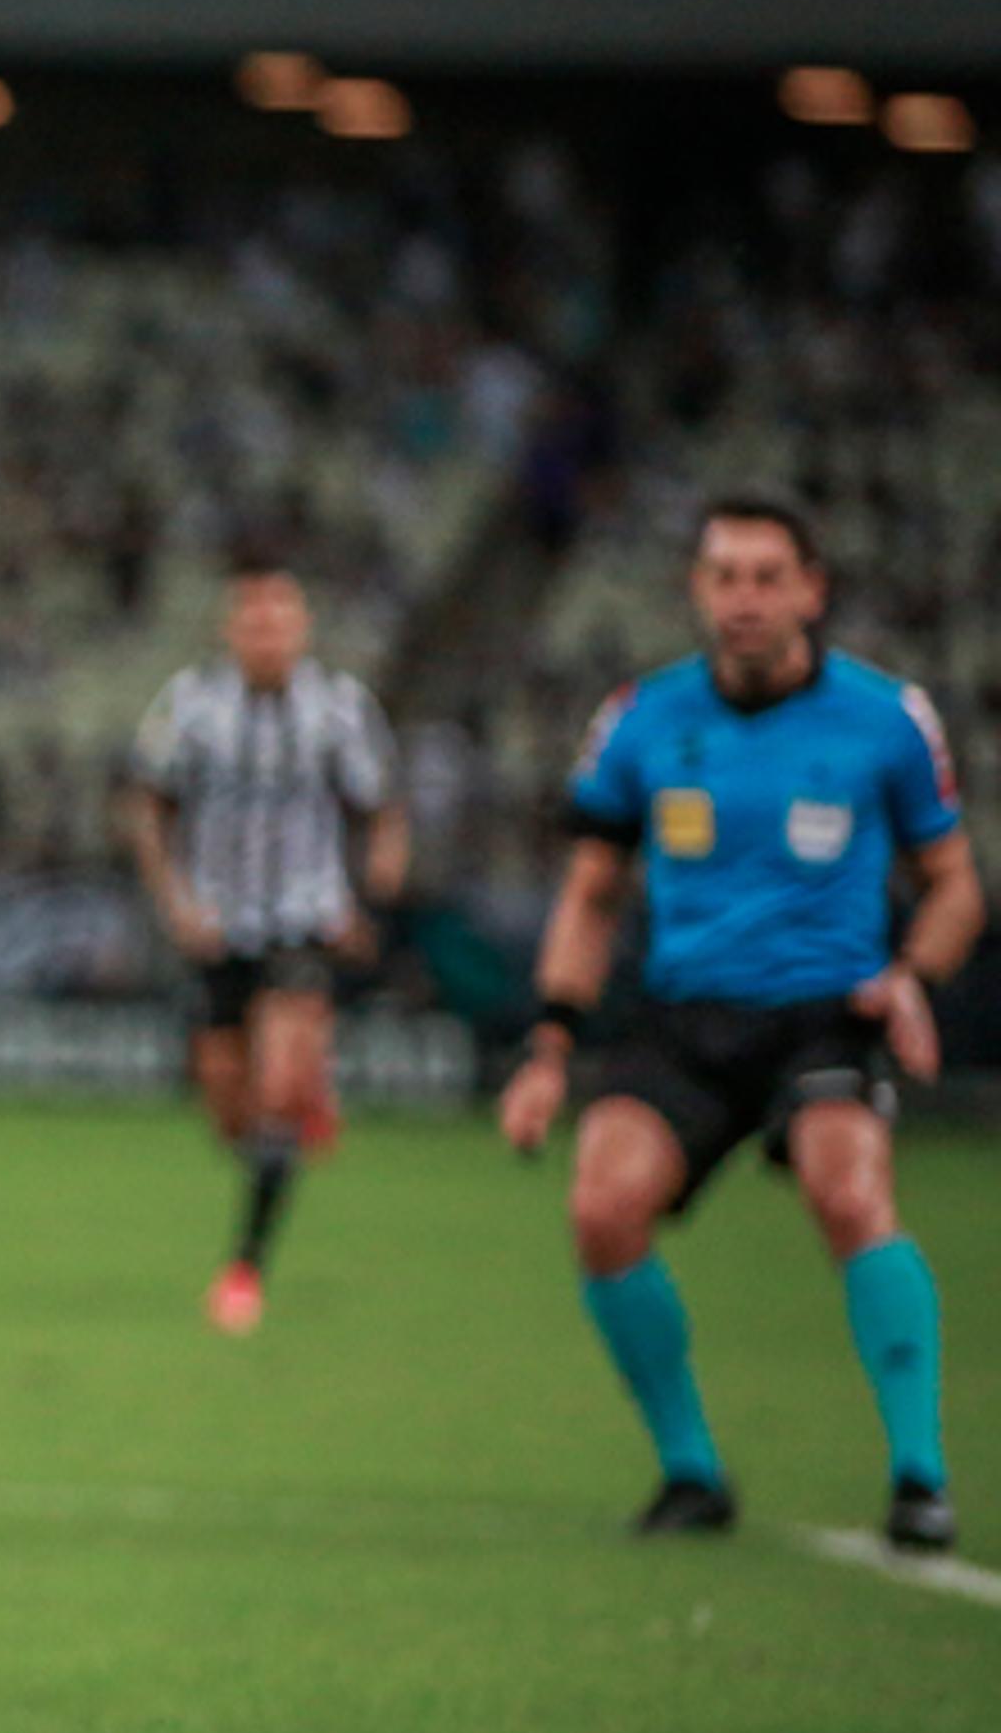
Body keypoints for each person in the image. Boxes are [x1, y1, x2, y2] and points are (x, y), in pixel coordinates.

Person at [499, 498, 981, 1552]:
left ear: (812, 589)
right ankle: (691, 1471)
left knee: (847, 1190)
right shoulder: (641, 720)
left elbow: (953, 884)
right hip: (683, 1016)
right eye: (725, 575)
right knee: (601, 1210)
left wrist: (912, 975)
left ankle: (919, 1476)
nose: (745, 598)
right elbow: (589, 894)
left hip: (826, 1009)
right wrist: (548, 1046)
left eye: (768, 576)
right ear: (697, 590)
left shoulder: (884, 718)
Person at [121, 568, 407, 1334]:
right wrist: (175, 904)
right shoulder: (191, 705)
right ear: (232, 632)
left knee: (278, 1092)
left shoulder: (340, 709)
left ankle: (244, 1267)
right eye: (254, 624)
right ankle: (300, 1110)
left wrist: (369, 905)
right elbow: (146, 805)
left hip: (302, 921)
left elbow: (381, 811)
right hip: (218, 925)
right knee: (231, 1112)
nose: (267, 637)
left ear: (303, 630)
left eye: (280, 623)